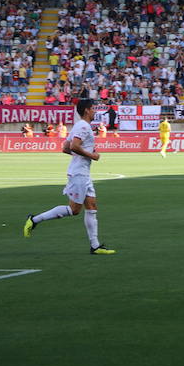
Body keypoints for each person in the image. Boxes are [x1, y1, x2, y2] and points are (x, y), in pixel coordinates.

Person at [23, 99, 115, 255]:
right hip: (78, 173)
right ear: (86, 110)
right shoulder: (84, 126)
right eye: (93, 109)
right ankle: (34, 220)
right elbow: (72, 146)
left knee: (92, 207)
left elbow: (65, 148)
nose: (95, 111)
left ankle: (95, 246)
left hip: (83, 173)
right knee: (74, 210)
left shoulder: (79, 126)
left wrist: (82, 155)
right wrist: (91, 155)